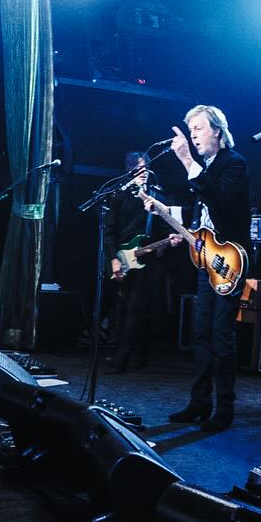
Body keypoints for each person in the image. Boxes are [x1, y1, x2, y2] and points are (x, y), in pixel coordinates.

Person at [147, 105, 251, 431]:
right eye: (190, 129)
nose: (192, 134)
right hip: (206, 263)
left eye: (199, 128)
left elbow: (218, 199)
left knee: (222, 334)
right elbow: (200, 214)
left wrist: (187, 161)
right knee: (200, 331)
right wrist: (165, 212)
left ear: (217, 131)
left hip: (230, 259)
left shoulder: (233, 164)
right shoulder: (205, 168)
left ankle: (225, 408)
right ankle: (199, 402)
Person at [105, 151, 171, 374]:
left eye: (145, 168)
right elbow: (110, 231)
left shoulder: (157, 196)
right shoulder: (119, 196)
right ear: (129, 171)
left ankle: (121, 360)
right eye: (138, 169)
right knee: (127, 308)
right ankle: (139, 355)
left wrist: (166, 242)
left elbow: (167, 228)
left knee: (137, 307)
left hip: (149, 260)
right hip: (123, 257)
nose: (143, 173)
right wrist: (114, 258)